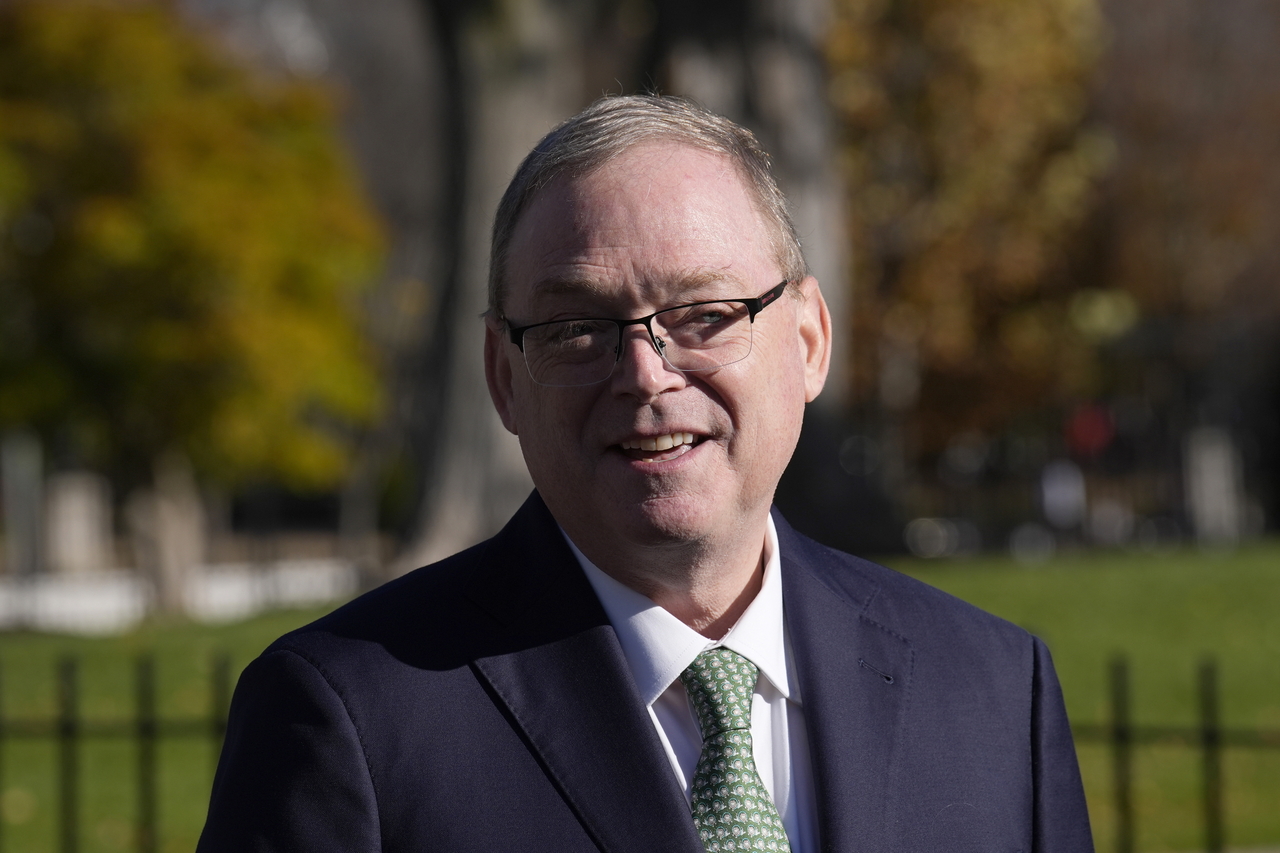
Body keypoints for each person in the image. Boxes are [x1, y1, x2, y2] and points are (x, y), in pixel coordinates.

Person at [197, 95, 1093, 853]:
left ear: (810, 341)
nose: (645, 373)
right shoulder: (349, 716)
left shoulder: (993, 689)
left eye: (705, 314)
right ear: (504, 377)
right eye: (576, 328)